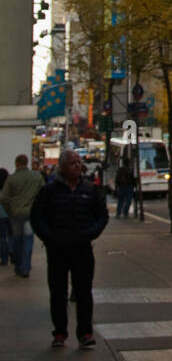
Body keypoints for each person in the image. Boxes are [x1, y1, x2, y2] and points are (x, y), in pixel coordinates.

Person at [29, 148, 109, 349]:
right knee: (58, 293)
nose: (77, 166)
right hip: (57, 250)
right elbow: (37, 217)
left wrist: (90, 233)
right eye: (73, 163)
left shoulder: (89, 190)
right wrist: (49, 237)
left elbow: (102, 215)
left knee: (83, 292)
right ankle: (60, 332)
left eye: (78, 162)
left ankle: (85, 332)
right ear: (63, 167)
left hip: (82, 248)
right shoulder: (50, 191)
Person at [0, 154, 44, 278]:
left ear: (17, 163)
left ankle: (18, 265)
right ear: (27, 162)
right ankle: (25, 267)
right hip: (30, 214)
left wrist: (10, 209)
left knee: (17, 239)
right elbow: (44, 193)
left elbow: (3, 198)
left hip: (15, 214)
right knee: (28, 240)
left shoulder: (12, 179)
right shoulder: (37, 177)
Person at [0, 168, 12, 267]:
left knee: (2, 237)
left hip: (1, 216)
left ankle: (4, 259)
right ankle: (13, 255)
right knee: (12, 236)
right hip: (11, 214)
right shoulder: (9, 187)